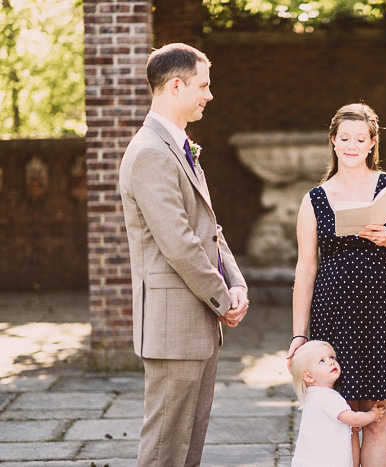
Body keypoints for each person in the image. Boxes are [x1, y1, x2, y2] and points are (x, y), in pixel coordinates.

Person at [119, 43, 249, 467]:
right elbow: (178, 242)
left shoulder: (180, 146)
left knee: (188, 448)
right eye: (202, 85)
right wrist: (222, 298)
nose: (208, 95)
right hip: (173, 325)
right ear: (176, 86)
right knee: (164, 450)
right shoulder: (151, 152)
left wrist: (236, 281)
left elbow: (207, 228)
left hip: (197, 322)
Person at [286, 103, 386, 467]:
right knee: (343, 419)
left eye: (360, 139)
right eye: (344, 138)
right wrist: (299, 336)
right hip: (335, 318)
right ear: (333, 141)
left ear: (371, 143)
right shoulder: (314, 199)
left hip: (385, 314)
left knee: (378, 419)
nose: (351, 145)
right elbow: (305, 269)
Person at [290, 340, 386, 467]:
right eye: (322, 361)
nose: (331, 362)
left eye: (331, 357)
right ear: (308, 377)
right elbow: (355, 419)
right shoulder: (329, 398)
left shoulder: (312, 396)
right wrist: (374, 414)